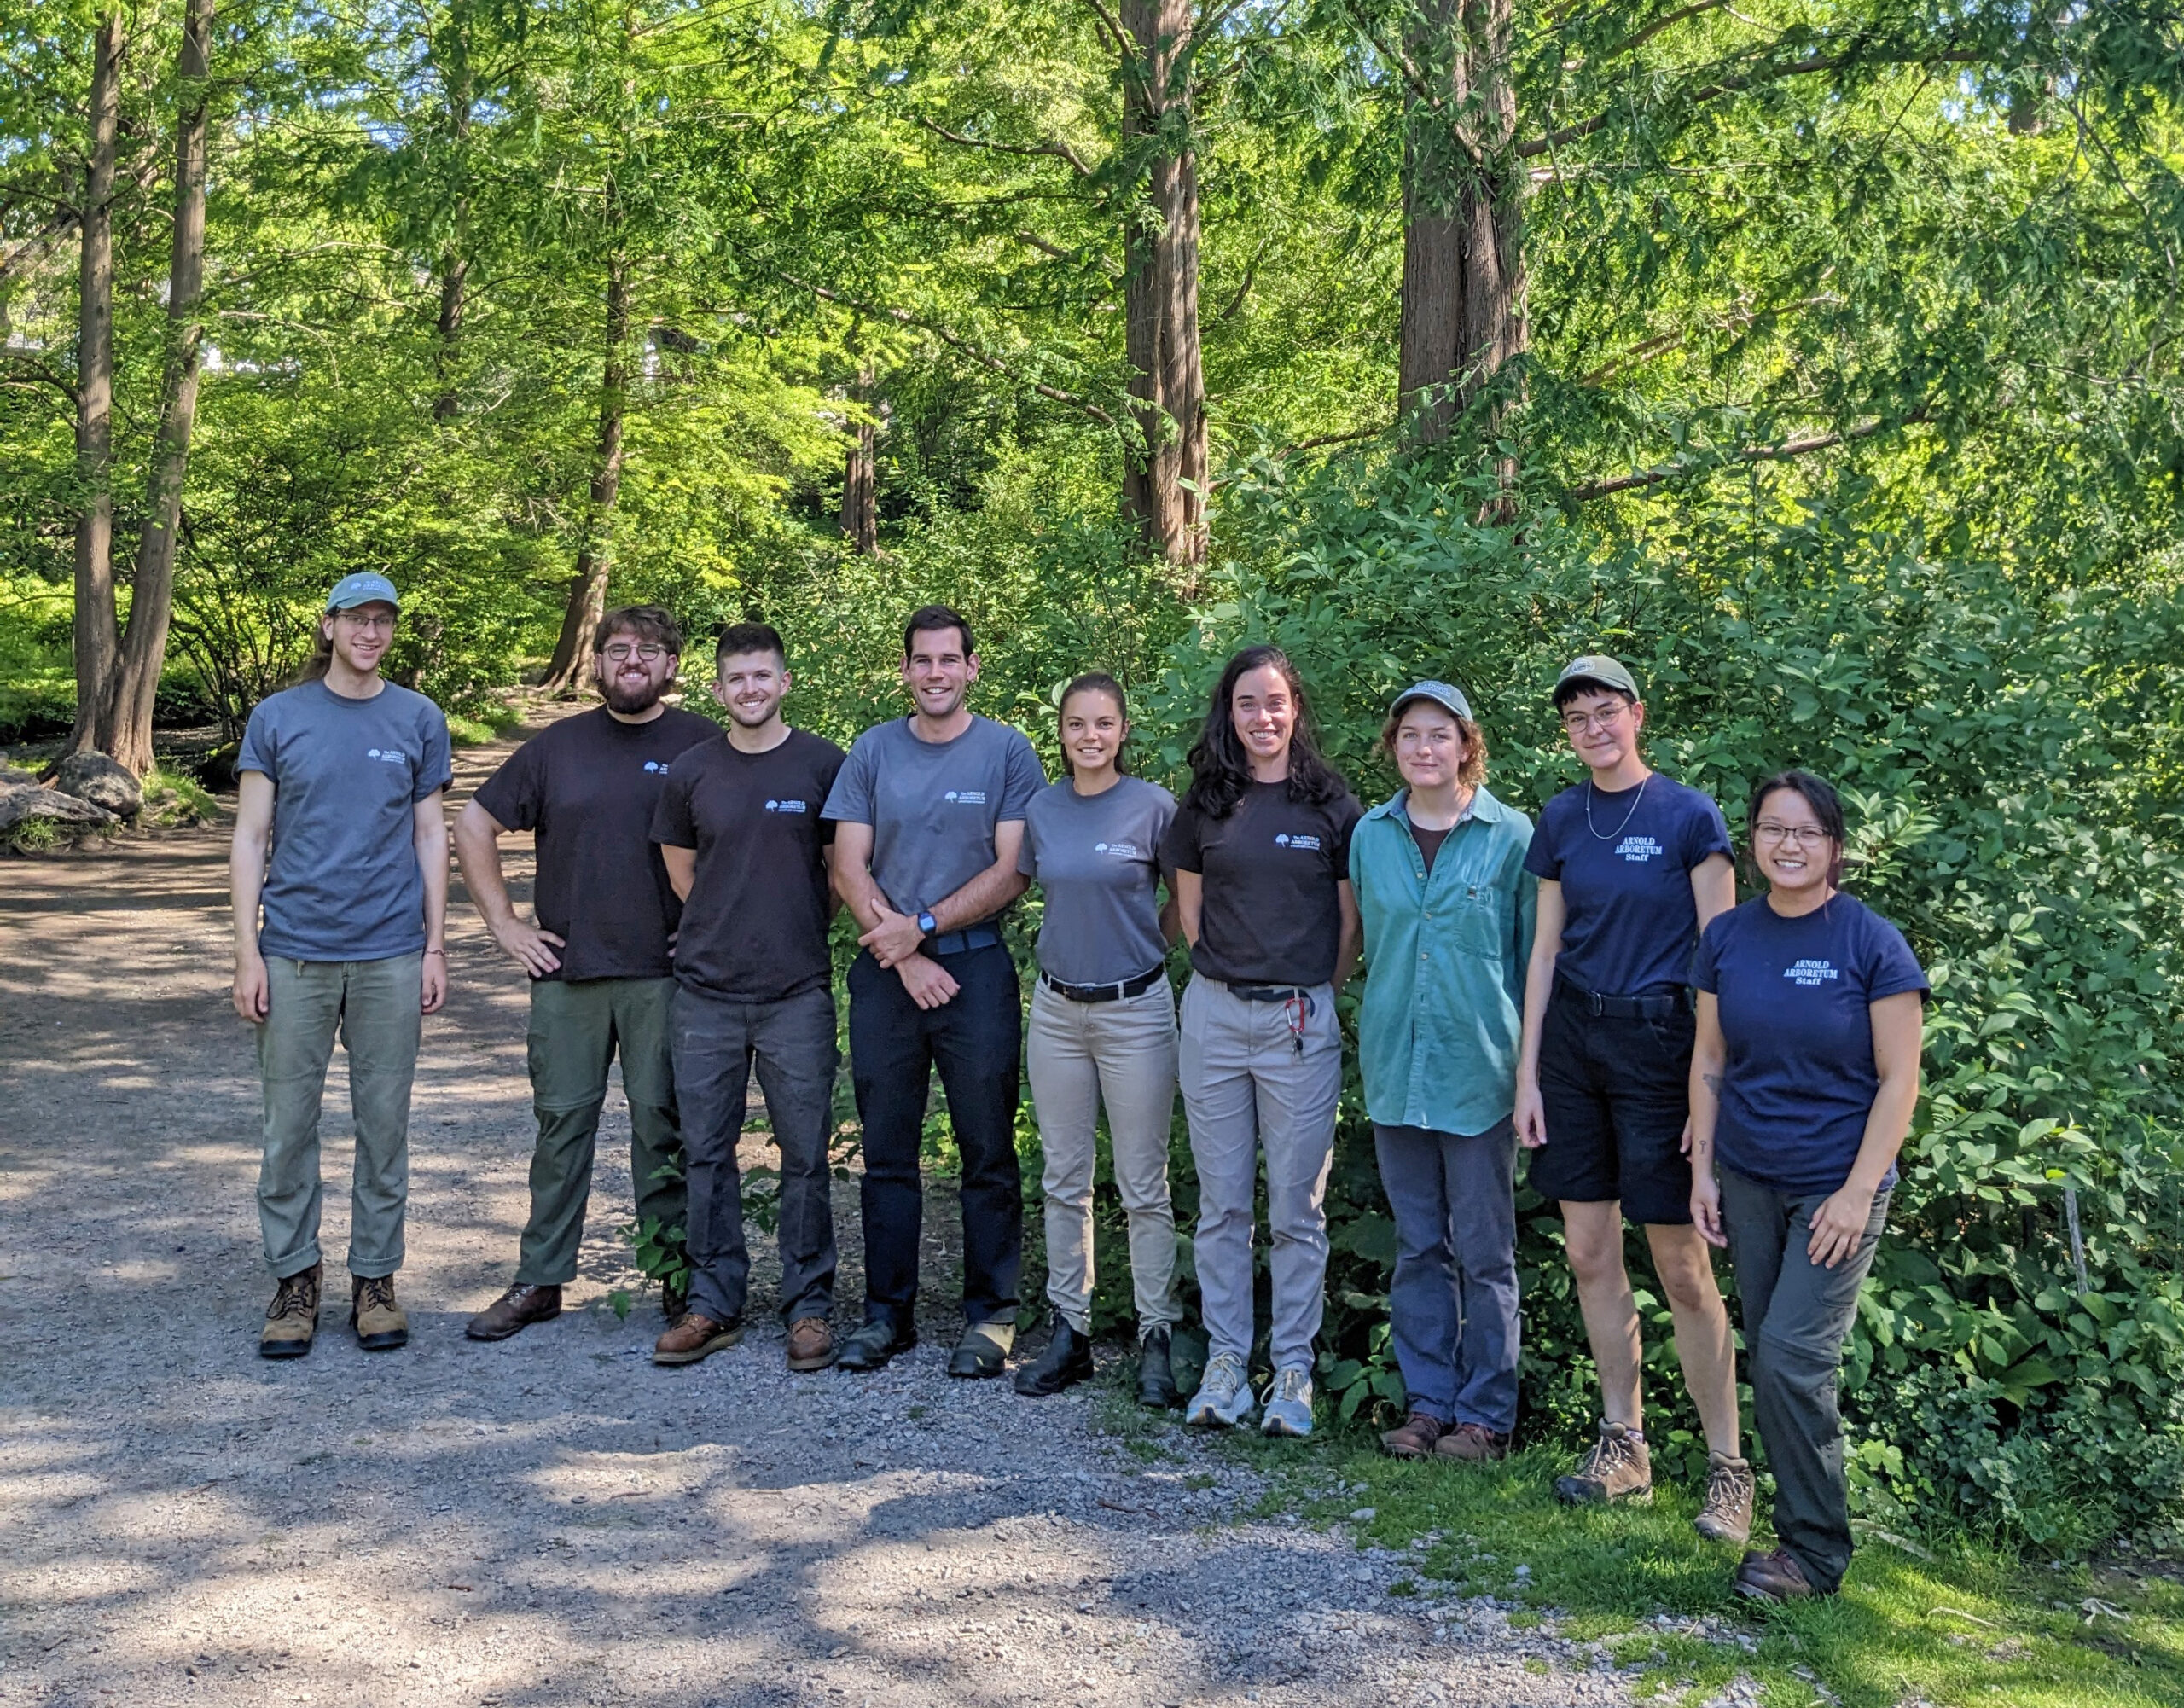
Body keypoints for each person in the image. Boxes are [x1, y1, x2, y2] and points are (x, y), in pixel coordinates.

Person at [1512, 654, 1752, 1542]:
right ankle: (1625, 1444)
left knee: (1683, 1265)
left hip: (1662, 1047)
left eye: (1605, 711)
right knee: (1585, 1249)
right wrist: (1528, 1071)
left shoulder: (1691, 816)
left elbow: (1720, 963)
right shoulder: (1561, 818)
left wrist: (1707, 1090)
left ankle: (1728, 1468)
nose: (1592, 729)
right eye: (1576, 717)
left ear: (1637, 714)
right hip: (1574, 1042)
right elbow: (1543, 951)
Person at [1689, 770, 1926, 1601]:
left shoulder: (1870, 943)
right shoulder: (1728, 938)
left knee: (1793, 1357)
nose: (1787, 844)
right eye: (1771, 828)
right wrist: (1702, 1172)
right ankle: (1798, 1539)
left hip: (1836, 1186)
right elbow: (1712, 1059)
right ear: (1752, 840)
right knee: (1773, 1357)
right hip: (1748, 1177)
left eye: (1805, 832)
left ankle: (1815, 1554)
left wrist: (1859, 1191)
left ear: (1835, 847)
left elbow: (1900, 1081)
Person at [454, 606, 716, 1351]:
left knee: (662, 1124)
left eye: (650, 651)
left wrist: (708, 927)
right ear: (597, 662)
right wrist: (505, 925)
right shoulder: (555, 748)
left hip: (664, 976)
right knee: (561, 1125)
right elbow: (473, 825)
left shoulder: (701, 741)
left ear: (672, 666)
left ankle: (677, 1274)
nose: (632, 661)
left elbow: (736, 839)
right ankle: (540, 1280)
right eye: (618, 649)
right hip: (567, 973)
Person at [231, 572, 451, 1358]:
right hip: (294, 951)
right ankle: (294, 1280)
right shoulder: (278, 717)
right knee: (288, 1128)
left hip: (390, 952)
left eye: (382, 622)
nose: (369, 633)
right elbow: (251, 838)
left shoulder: (418, 718)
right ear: (327, 627)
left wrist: (435, 945)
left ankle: (376, 1281)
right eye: (356, 620)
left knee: (383, 1125)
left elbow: (432, 837)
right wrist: (246, 952)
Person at [822, 605, 1046, 1376]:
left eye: (950, 660)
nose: (936, 673)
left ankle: (992, 1315)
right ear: (906, 671)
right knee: (887, 1151)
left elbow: (1014, 869)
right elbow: (847, 865)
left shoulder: (1008, 752)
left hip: (976, 970)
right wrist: (904, 949)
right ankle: (887, 1314)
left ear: (972, 667)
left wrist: (919, 926)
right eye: (923, 661)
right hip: (889, 973)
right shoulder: (873, 751)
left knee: (987, 1149)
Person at [1162, 645, 1362, 1438]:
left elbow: (1349, 929)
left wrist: (1311, 995)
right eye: (1248, 704)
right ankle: (1223, 1364)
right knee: (1221, 1205)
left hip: (1299, 1021)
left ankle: (1293, 1371)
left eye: (1275, 702)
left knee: (1296, 1207)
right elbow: (1188, 919)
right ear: (1230, 713)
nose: (1263, 718)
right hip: (1213, 1015)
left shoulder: (1331, 806)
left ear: (1296, 708)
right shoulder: (1206, 803)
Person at [649, 622, 847, 1371]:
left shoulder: (824, 765)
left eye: (763, 676)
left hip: (796, 992)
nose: (751, 689)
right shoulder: (690, 772)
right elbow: (682, 875)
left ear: (785, 681)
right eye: (737, 678)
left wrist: (785, 927)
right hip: (705, 993)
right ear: (717, 688)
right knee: (705, 1153)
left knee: (804, 1155)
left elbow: (839, 875)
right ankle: (713, 1303)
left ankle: (809, 1308)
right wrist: (727, 928)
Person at [1349, 683, 1536, 1463]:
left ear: (1467, 745)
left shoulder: (1512, 836)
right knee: (1420, 1246)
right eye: (1409, 736)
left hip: (1480, 1074)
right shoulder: (1371, 834)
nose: (1424, 749)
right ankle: (1427, 1407)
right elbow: (1363, 941)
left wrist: (1531, 1073)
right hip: (1396, 1067)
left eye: (1440, 735)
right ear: (1393, 747)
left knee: (1486, 1252)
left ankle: (1484, 1418)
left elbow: (1533, 961)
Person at [1013, 673, 1183, 1405]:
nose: (1090, 737)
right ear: (1062, 732)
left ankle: (1157, 1336)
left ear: (1123, 731)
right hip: (1056, 1011)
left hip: (1136, 1009)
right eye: (1077, 725)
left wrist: (1151, 949)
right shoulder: (1041, 810)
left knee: (1144, 1184)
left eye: (1104, 724)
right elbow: (1020, 885)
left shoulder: (1152, 808)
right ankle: (1070, 1331)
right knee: (1063, 1177)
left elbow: (1185, 901)